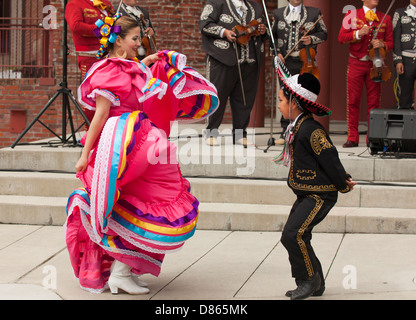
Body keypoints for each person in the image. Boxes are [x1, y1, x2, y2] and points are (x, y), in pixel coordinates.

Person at [65, 14, 219, 295]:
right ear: (118, 40)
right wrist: (85, 154)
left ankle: (123, 270)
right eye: (135, 38)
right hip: (120, 148)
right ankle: (119, 274)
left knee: (143, 202)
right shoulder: (108, 71)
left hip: (138, 141)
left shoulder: (129, 67)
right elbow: (99, 116)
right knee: (141, 202)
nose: (140, 43)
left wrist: (146, 65)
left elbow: (136, 83)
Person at [273, 56, 357, 300]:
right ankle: (314, 283)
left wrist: (343, 181)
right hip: (307, 193)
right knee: (298, 234)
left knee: (293, 234)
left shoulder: (312, 130)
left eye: (280, 101)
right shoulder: (298, 126)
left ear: (295, 103)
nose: (278, 105)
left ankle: (308, 281)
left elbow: (330, 158)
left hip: (319, 195)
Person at [199, 0, 267, 147]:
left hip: (249, 60)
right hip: (222, 58)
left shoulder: (255, 7)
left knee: (244, 99)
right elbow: (204, 24)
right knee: (218, 95)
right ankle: (211, 132)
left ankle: (239, 134)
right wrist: (224, 32)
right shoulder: (217, 3)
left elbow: (264, 32)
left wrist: (263, 30)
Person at [338, 0, 394, 148]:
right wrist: (357, 33)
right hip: (356, 62)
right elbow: (341, 38)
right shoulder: (351, 14)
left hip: (375, 64)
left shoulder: (385, 18)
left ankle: (372, 137)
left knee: (374, 102)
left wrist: (383, 44)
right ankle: (353, 137)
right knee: (353, 101)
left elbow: (391, 43)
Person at [271, 0, 327, 145]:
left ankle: (303, 130)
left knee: (303, 98)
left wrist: (311, 39)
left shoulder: (314, 13)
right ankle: (285, 132)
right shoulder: (278, 13)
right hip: (285, 62)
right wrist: (277, 53)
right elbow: (272, 38)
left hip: (305, 62)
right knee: (286, 95)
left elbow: (324, 33)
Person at [65, 0, 116, 78]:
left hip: (110, 53)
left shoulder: (105, 2)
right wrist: (101, 30)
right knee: (90, 86)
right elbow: (76, 26)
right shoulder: (74, 3)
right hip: (90, 55)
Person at [393, 0, 416, 110]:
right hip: (406, 60)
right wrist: (398, 60)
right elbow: (396, 39)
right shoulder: (400, 13)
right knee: (404, 98)